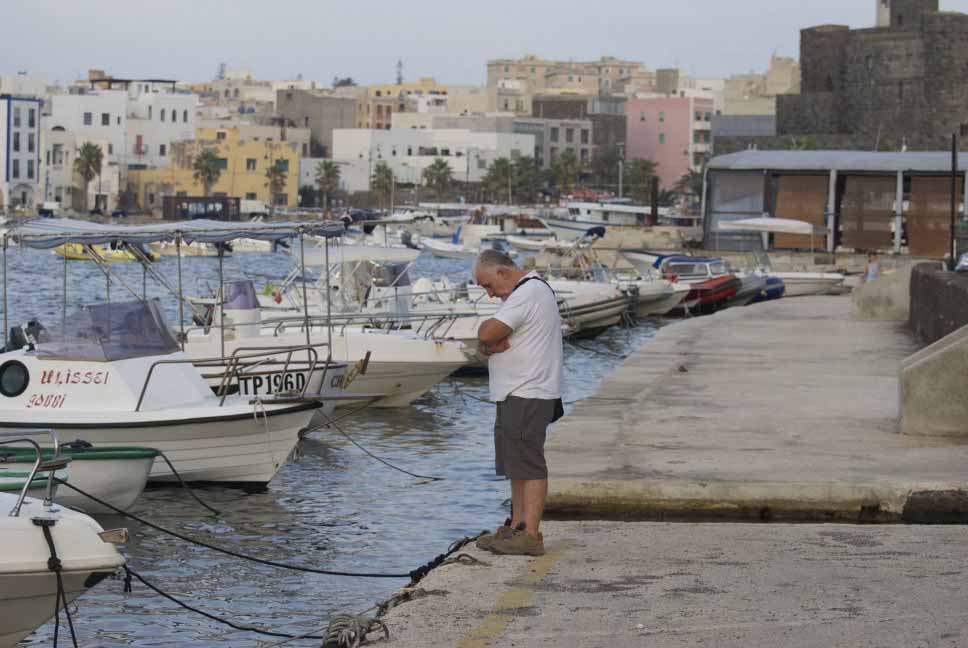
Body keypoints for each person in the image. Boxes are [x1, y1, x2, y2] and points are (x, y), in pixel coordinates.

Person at [473, 250, 563, 557]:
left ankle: (531, 534)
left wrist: (486, 338)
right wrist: (488, 343)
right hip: (516, 391)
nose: (489, 294)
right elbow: (488, 342)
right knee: (516, 463)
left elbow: (488, 333)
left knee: (529, 461)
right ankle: (518, 527)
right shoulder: (525, 293)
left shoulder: (528, 292)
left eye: (488, 285)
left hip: (528, 391)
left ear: (502, 272)